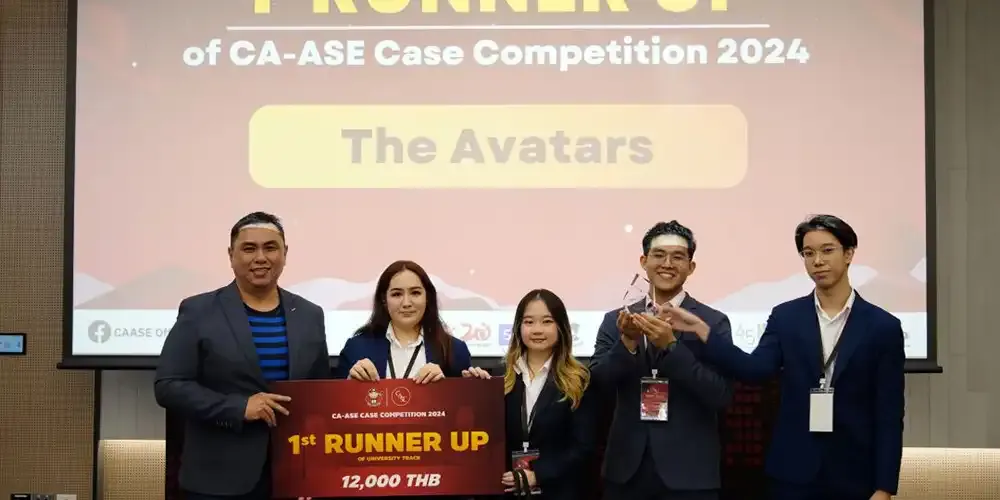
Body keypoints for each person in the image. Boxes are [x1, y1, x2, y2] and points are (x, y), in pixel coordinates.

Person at [690, 214, 905, 500]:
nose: (818, 261)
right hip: (793, 472)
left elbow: (889, 414)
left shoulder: (882, 326)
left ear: (849, 254)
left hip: (854, 472)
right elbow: (755, 369)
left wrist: (885, 487)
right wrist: (704, 332)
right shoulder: (786, 316)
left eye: (827, 250)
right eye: (808, 253)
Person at [154, 211, 331, 500]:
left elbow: (318, 392)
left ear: (285, 253)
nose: (260, 257)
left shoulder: (310, 314)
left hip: (292, 475)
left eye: (270, 248)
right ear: (231, 255)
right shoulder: (198, 311)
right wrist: (238, 407)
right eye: (249, 248)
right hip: (217, 480)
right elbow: (169, 386)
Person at [590, 221, 734, 500]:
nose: (667, 264)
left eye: (678, 257)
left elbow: (721, 394)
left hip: (690, 474)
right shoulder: (617, 320)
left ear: (691, 267)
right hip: (626, 471)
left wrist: (671, 347)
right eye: (659, 255)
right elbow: (598, 384)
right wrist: (627, 342)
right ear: (644, 261)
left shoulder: (711, 323)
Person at [499, 289, 596, 500]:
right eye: (529, 322)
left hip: (558, 491)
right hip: (508, 490)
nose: (537, 330)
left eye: (547, 321)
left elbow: (584, 447)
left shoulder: (579, 380)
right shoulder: (502, 378)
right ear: (518, 328)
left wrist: (538, 475)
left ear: (561, 327)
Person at [337, 259, 490, 382]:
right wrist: (350, 385)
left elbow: (464, 409)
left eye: (415, 293)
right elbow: (336, 405)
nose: (406, 303)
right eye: (397, 294)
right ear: (384, 300)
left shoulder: (455, 350)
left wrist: (472, 387)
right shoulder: (356, 348)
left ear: (427, 297)